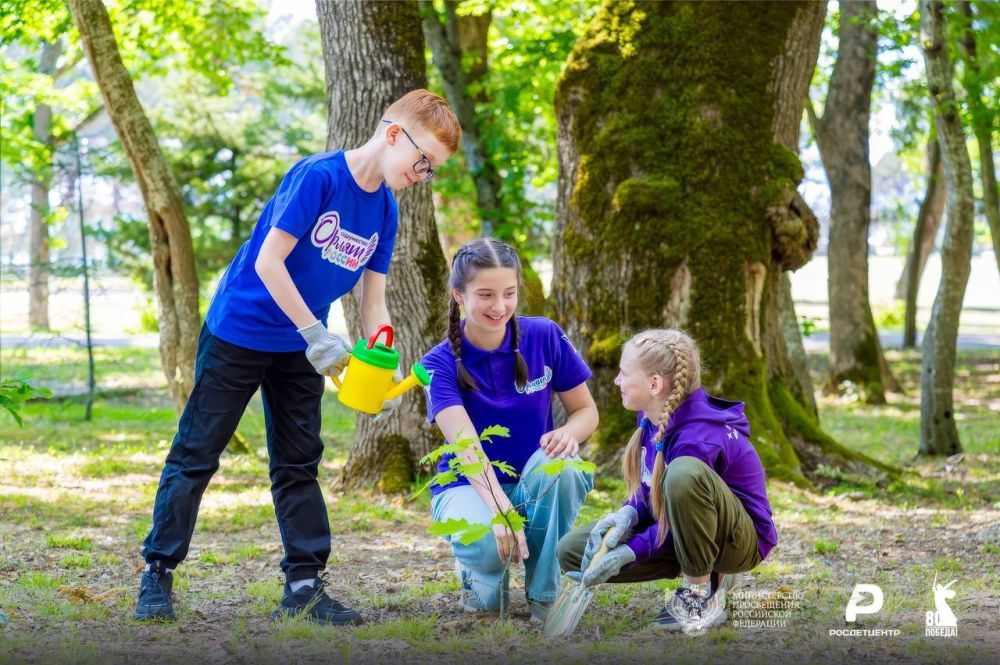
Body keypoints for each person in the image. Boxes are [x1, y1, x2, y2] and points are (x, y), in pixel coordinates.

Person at [134, 90, 461, 626]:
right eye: (423, 161)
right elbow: (269, 262)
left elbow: (372, 297)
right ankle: (157, 573)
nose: (424, 174)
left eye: (433, 170)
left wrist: (381, 353)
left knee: (298, 462)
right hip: (240, 331)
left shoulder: (385, 209)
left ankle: (304, 585)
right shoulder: (319, 178)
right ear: (394, 133)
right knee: (196, 454)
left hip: (300, 348)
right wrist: (316, 332)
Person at [420, 238, 598, 623]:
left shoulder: (545, 336)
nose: (499, 307)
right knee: (488, 595)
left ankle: (545, 596)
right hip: (470, 485)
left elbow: (586, 411)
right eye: (485, 294)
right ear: (458, 295)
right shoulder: (438, 364)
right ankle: (478, 573)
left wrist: (570, 433)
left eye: (509, 293)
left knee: (565, 469)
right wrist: (501, 512)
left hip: (533, 480)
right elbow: (468, 451)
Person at [557, 329, 777, 633]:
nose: (616, 381)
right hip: (685, 529)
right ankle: (700, 567)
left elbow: (678, 496)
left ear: (654, 384)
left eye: (623, 373)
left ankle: (700, 593)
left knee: (683, 474)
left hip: (735, 541)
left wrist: (630, 550)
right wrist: (628, 513)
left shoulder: (697, 439)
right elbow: (652, 484)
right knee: (571, 552)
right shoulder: (652, 413)